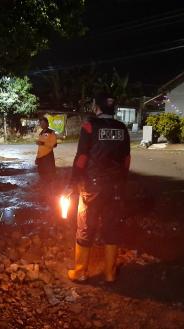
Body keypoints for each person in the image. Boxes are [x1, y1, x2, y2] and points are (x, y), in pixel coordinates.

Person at [66, 92, 131, 283]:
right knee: (112, 226)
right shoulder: (122, 128)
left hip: (92, 187)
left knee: (86, 225)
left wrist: (72, 182)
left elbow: (82, 159)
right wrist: (121, 181)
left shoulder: (89, 126)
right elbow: (126, 159)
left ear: (98, 107)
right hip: (115, 187)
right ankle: (110, 273)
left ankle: (80, 272)